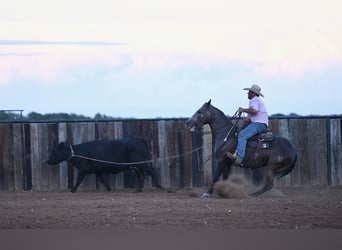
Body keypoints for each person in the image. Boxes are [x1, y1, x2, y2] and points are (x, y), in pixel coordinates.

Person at [227, 84, 269, 166]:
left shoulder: (255, 100)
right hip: (260, 124)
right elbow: (253, 115)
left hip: (259, 124)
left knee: (242, 135)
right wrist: (247, 118)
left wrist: (243, 110)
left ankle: (239, 158)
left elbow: (254, 111)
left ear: (253, 93)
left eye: (249, 92)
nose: (247, 93)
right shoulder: (256, 101)